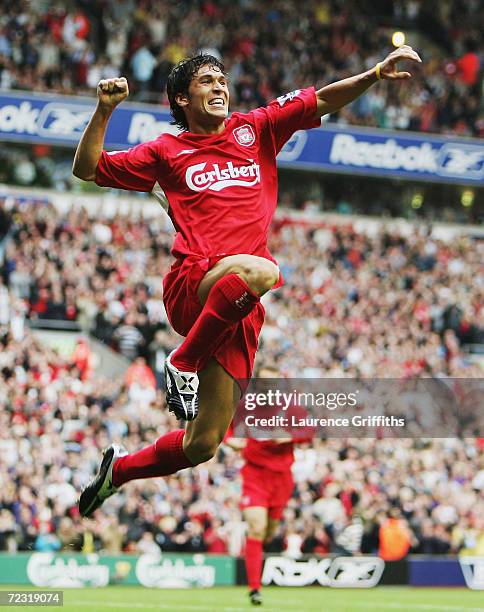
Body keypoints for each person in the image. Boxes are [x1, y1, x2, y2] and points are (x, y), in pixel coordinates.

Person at [73, 46, 421, 518]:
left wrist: (375, 73)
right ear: (180, 99)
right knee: (265, 270)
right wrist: (104, 109)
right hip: (196, 281)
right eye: (206, 82)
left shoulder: (255, 129)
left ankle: (118, 474)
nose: (219, 87)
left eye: (222, 80)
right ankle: (182, 361)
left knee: (204, 444)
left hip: (237, 306)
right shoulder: (165, 151)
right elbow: (87, 169)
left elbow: (319, 100)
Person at [224, 365, 315, 606]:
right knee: (256, 526)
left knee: (268, 532)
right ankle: (255, 588)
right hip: (254, 474)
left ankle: (256, 561)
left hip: (281, 478)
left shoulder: (290, 406)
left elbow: (309, 429)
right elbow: (225, 426)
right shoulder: (247, 406)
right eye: (265, 382)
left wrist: (291, 436)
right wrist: (230, 441)